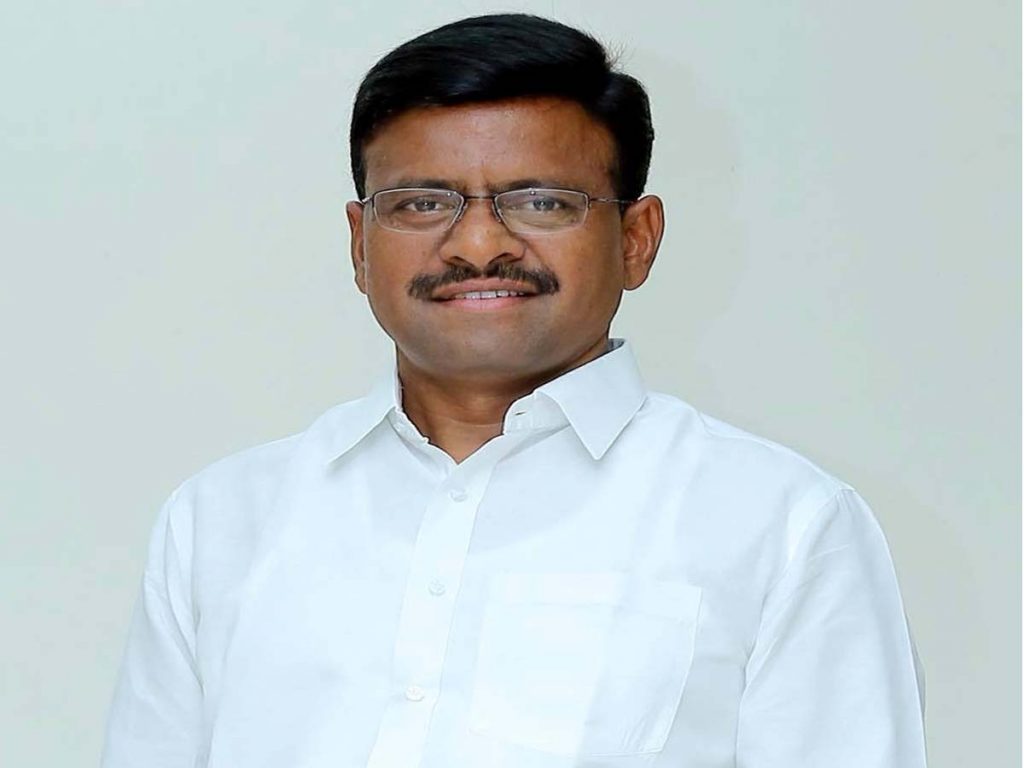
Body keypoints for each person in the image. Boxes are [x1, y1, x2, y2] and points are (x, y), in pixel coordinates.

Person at [101, 13, 928, 768]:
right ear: (360, 244)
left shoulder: (780, 524)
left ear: (636, 239)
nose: (476, 245)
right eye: (421, 203)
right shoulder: (222, 520)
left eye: (540, 201)